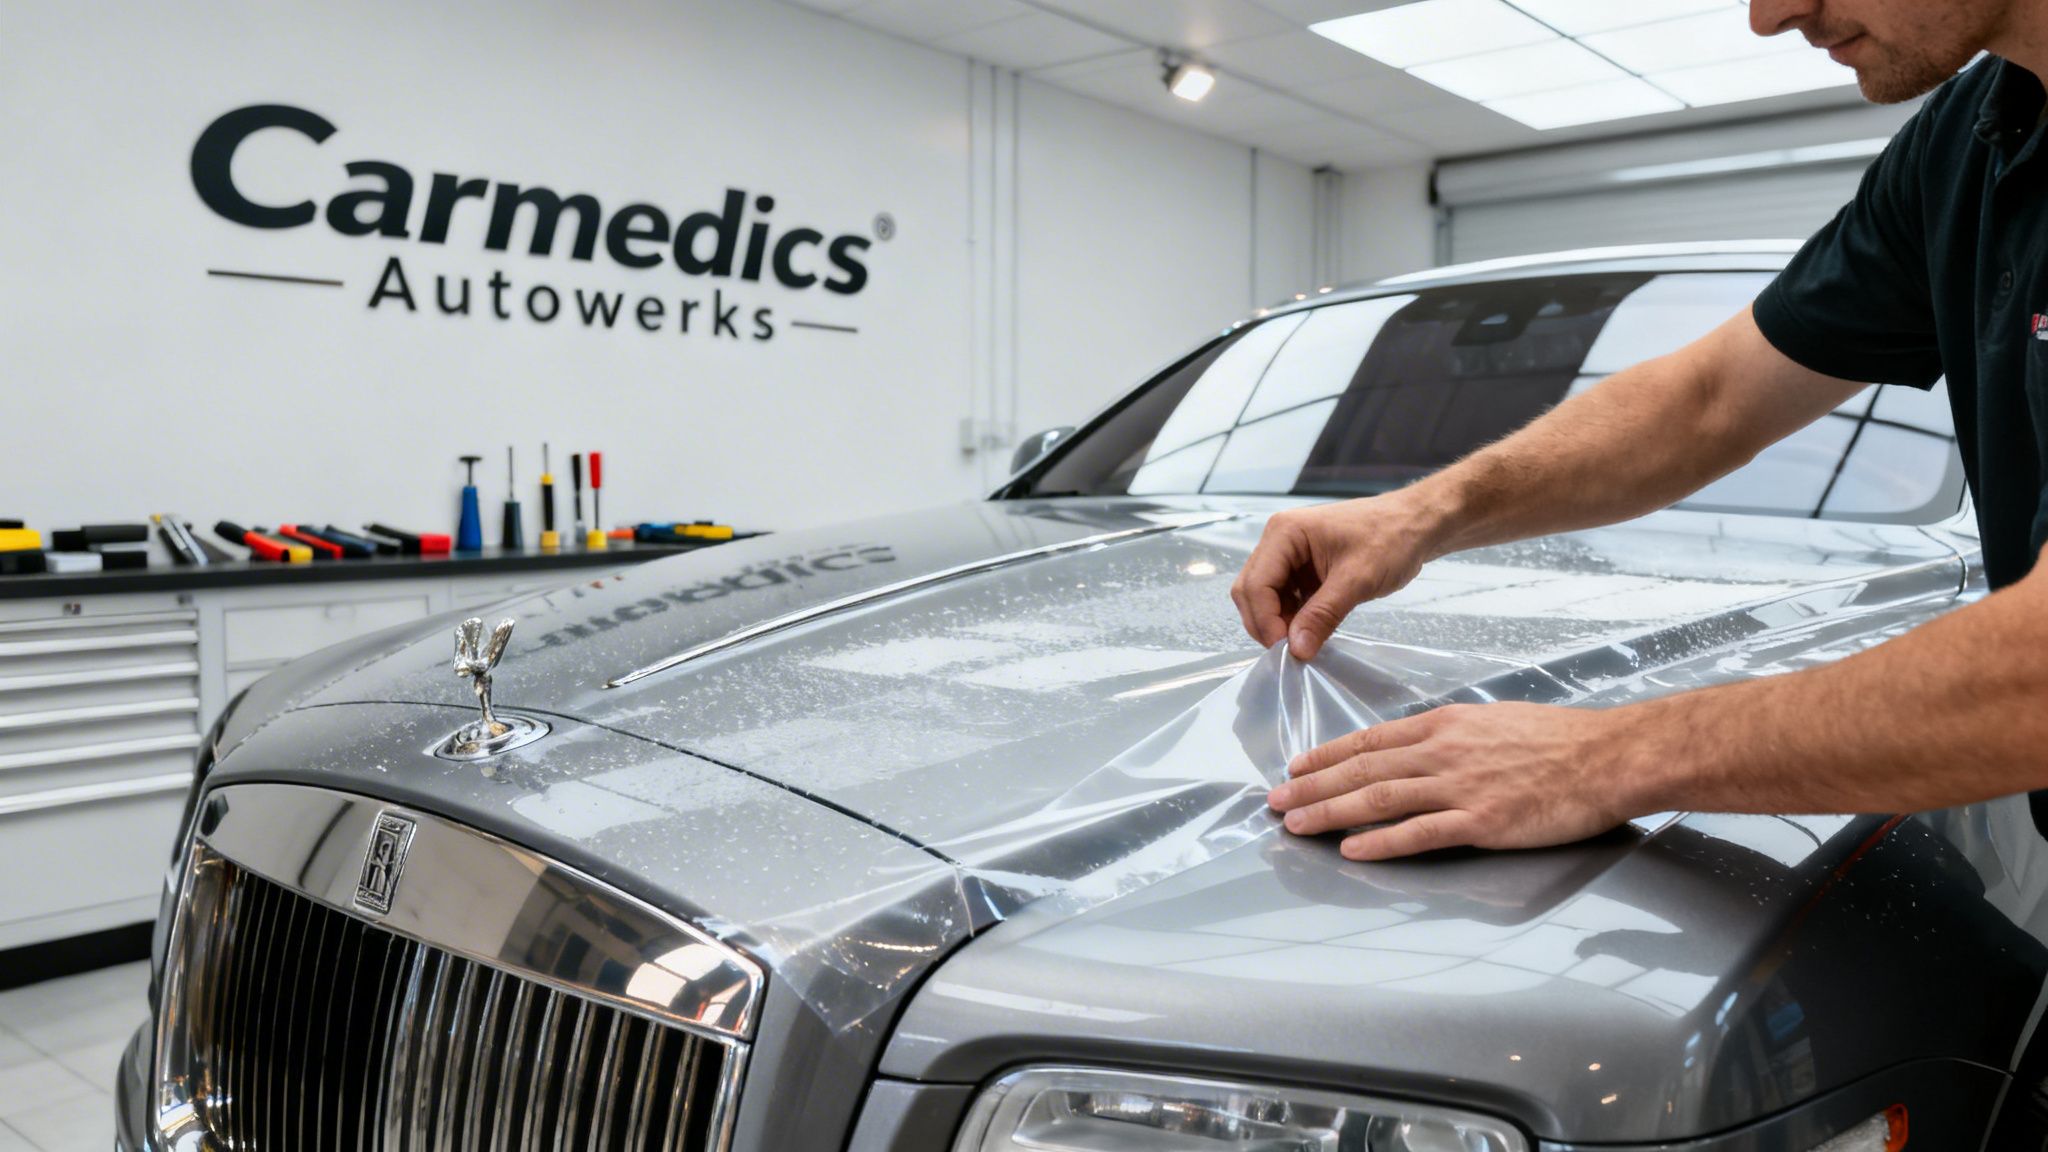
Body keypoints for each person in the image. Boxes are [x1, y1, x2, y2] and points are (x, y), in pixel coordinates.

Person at [1235, 0, 2048, 862]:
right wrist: (1416, 514)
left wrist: (1604, 758)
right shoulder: (1972, 140)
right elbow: (1710, 397)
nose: (1770, 16)